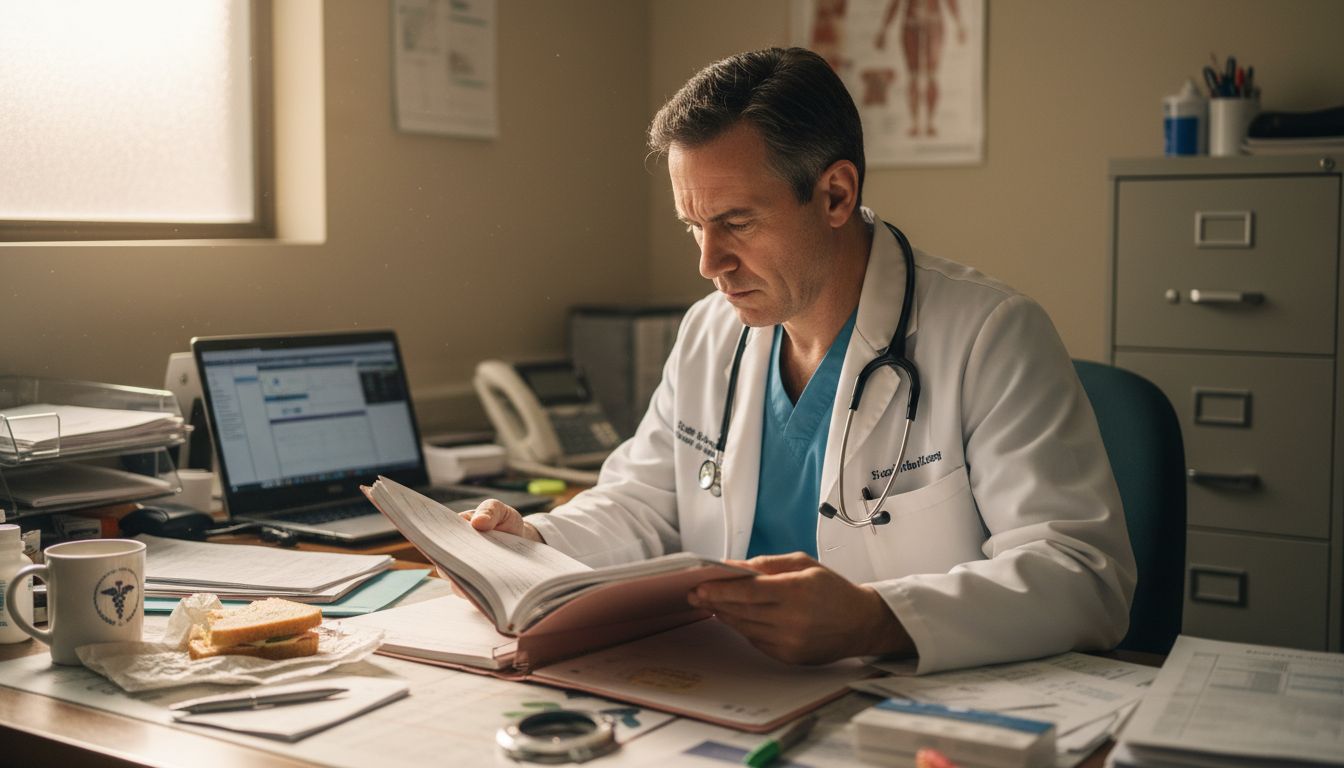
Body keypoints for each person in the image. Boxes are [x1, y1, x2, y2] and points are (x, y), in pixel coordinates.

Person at [465, 47, 1135, 674]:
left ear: (836, 195)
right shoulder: (709, 333)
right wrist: (535, 539)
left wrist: (879, 619)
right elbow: (645, 504)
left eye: (738, 222)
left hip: (910, 706)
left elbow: (1083, 575)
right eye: (693, 227)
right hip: (730, 689)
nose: (709, 264)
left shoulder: (991, 335)